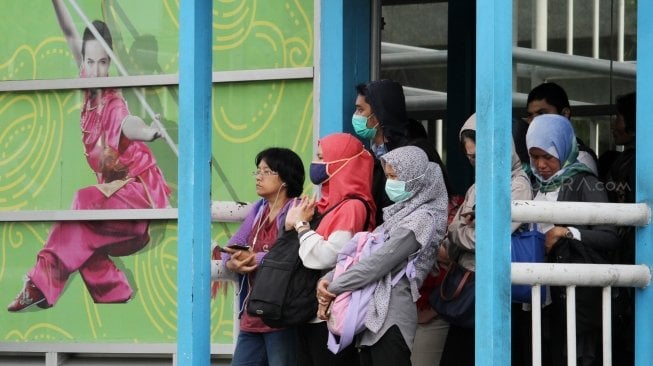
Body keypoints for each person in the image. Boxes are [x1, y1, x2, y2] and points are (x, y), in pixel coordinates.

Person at [6, 1, 170, 312]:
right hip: (111, 205)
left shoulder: (112, 103)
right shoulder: (86, 85)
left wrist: (148, 132)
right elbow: (69, 31)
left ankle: (37, 285)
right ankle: (115, 290)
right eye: (91, 62)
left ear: (111, 63)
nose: (96, 70)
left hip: (139, 198)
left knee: (81, 204)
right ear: (83, 60)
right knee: (79, 235)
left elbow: (127, 123)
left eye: (104, 63)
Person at [317, 145, 448, 366]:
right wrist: (328, 279)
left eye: (395, 176)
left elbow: (378, 263)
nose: (390, 183)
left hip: (392, 320)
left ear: (414, 178)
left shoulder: (421, 219)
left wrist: (334, 287)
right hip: (370, 317)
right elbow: (360, 256)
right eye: (387, 176)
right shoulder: (396, 217)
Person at [438, 113, 533, 366]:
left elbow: (485, 240)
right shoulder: (477, 186)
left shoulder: (518, 185)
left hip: (497, 290)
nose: (476, 163)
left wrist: (462, 231)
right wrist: (464, 229)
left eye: (479, 156)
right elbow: (456, 229)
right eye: (470, 158)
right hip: (471, 284)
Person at [526, 114, 620, 366]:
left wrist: (565, 231)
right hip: (547, 298)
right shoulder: (536, 184)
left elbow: (610, 236)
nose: (541, 164)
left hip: (578, 300)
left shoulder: (585, 181)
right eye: (534, 156)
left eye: (548, 156)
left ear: (565, 149)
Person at [284, 132, 376, 366]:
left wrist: (302, 226)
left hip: (332, 313)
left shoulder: (352, 207)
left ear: (342, 163)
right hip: (310, 311)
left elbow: (326, 255)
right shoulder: (327, 204)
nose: (316, 163)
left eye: (322, 157)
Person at [211, 147, 304, 366]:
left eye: (267, 171)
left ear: (286, 177)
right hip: (253, 315)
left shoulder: (297, 209)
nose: (259, 177)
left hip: (282, 315)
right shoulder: (259, 209)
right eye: (257, 171)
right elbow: (233, 245)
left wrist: (255, 259)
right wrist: (233, 261)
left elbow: (292, 255)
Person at [600, 91, 636, 366]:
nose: (614, 123)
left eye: (619, 117)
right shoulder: (622, 160)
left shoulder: (632, 163)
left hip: (628, 254)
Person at [352, 79, 409, 225]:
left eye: (360, 110)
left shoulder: (407, 155)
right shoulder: (369, 156)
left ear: (378, 115)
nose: (356, 116)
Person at [525, 82, 599, 176]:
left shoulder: (581, 159)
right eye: (530, 115)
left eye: (542, 114)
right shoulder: (530, 153)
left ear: (564, 114)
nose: (534, 122)